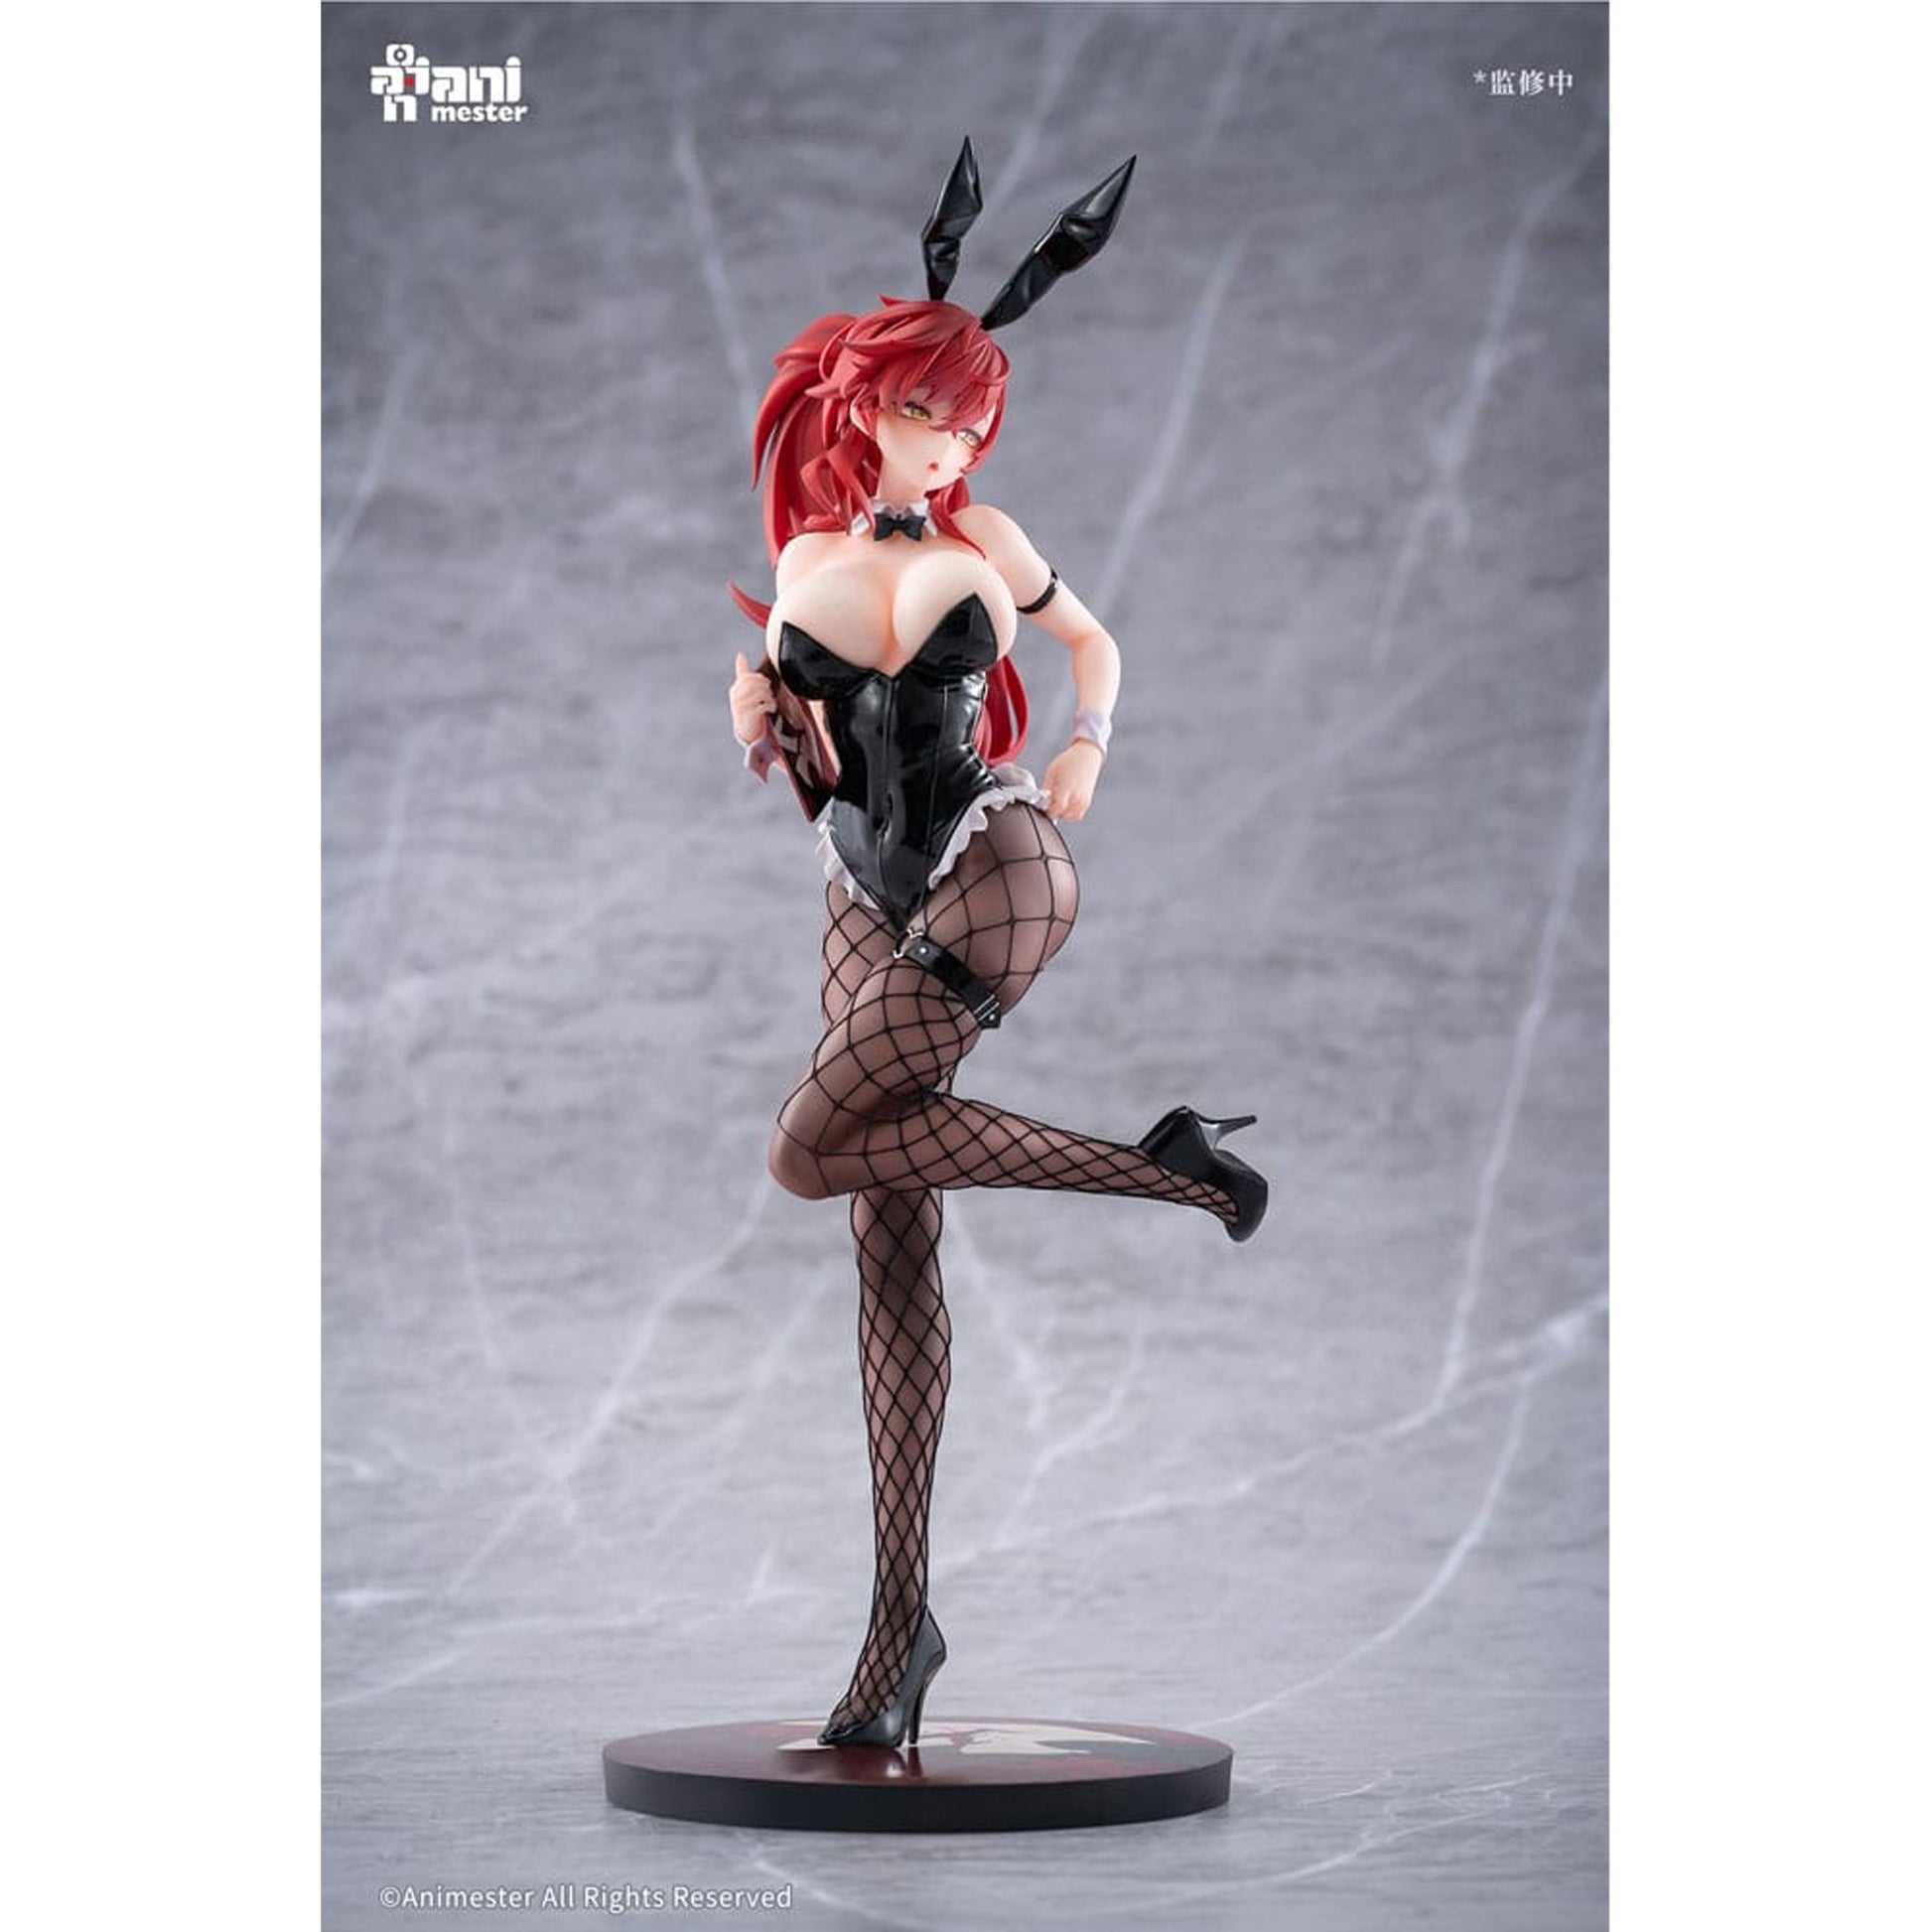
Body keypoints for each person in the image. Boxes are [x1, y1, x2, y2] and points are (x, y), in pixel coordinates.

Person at [724, 143, 1267, 1750]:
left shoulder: (992, 540)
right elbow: (788, 700)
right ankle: (899, 1628)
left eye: (970, 423)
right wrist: (754, 704)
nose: (953, 443)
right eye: (929, 414)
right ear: (864, 401)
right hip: (857, 882)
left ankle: (1169, 1173)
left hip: (991, 864)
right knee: (885, 1231)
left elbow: (1092, 641)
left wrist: (1088, 744)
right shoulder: (807, 560)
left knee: (807, 1149)